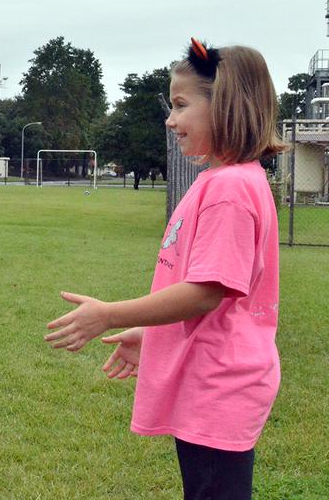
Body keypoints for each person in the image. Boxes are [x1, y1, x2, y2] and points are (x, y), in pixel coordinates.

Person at [44, 38, 286, 500]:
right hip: (212, 380)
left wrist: (112, 314)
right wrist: (153, 336)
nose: (170, 119)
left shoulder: (231, 189)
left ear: (226, 106)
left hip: (220, 385)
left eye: (180, 105)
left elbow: (205, 292)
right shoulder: (221, 180)